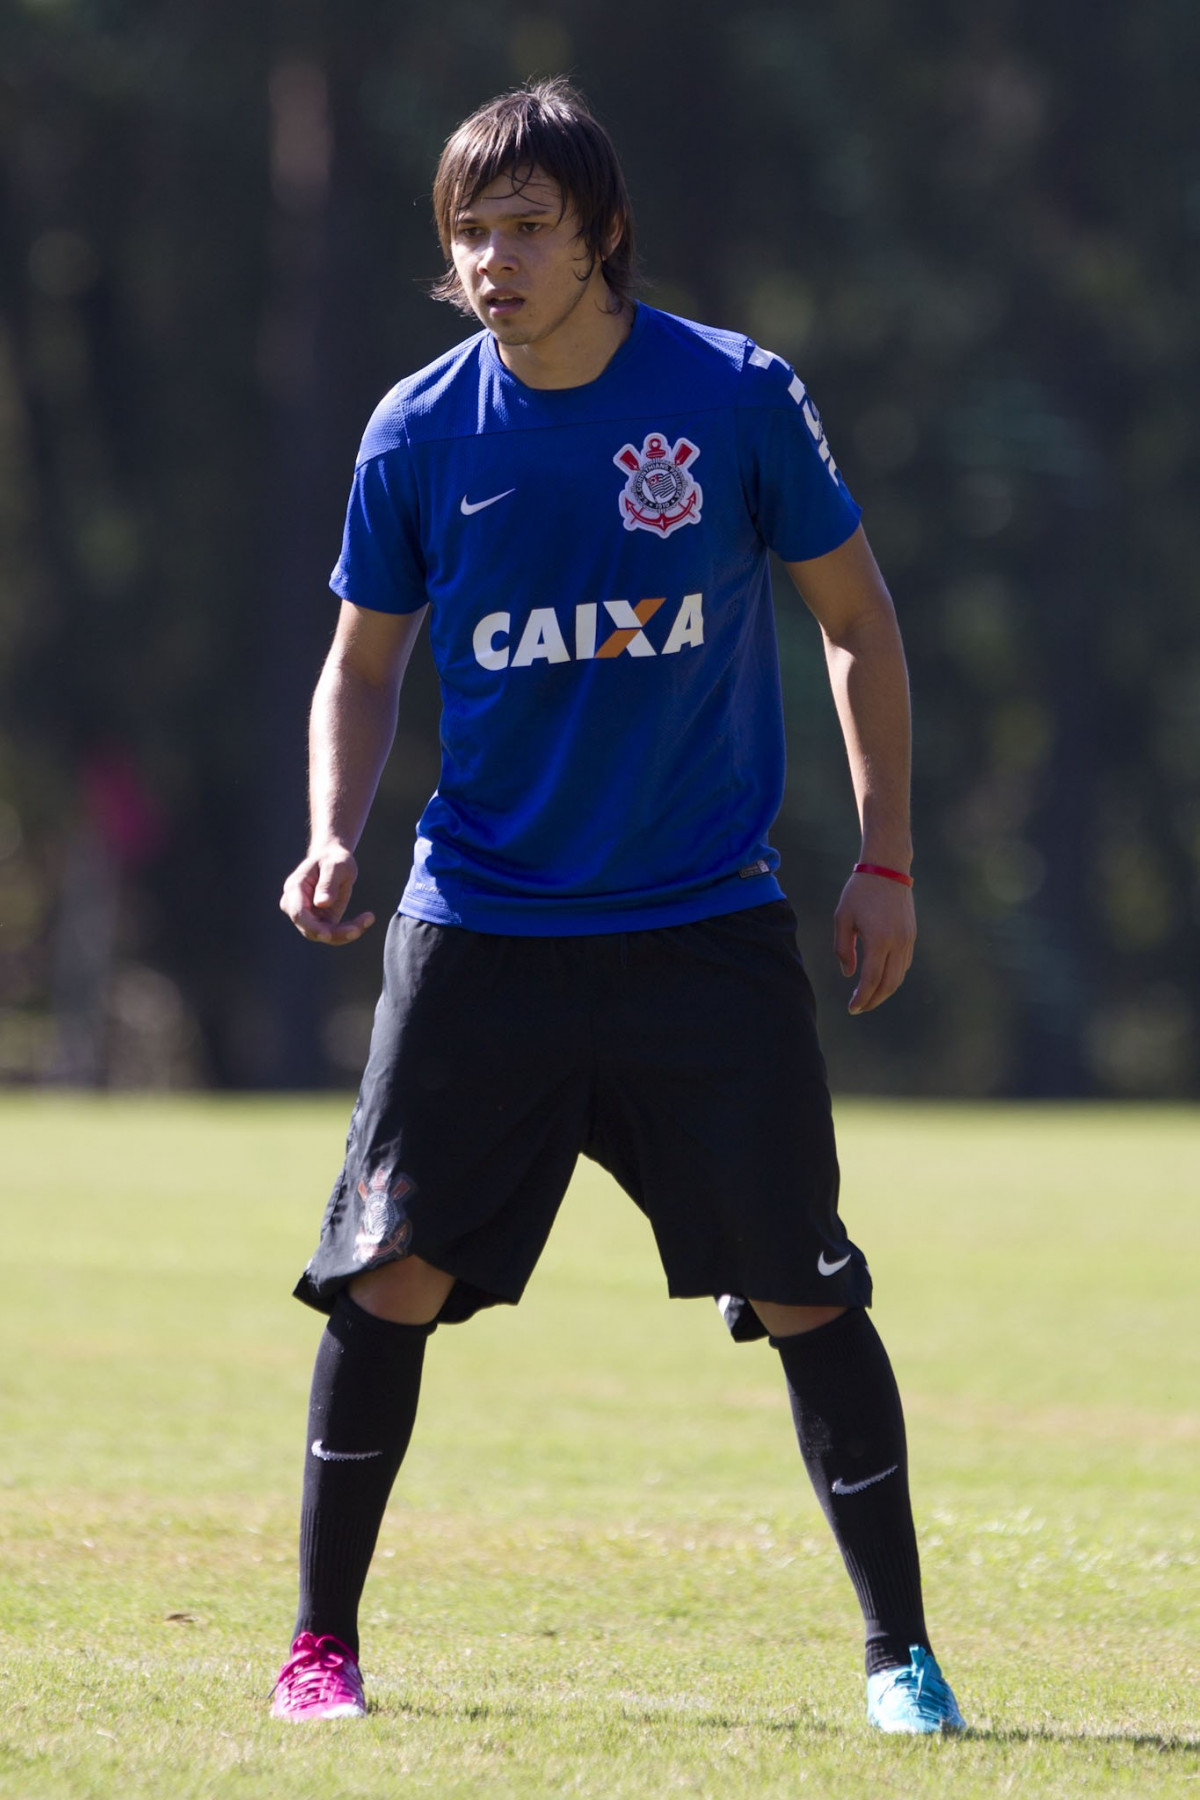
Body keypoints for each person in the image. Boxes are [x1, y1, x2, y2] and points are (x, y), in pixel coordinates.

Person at [272, 77, 965, 1735]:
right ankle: (320, 1653)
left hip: (701, 928)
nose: (492, 260)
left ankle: (901, 1659)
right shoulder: (419, 430)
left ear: (603, 238)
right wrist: (331, 832)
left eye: (525, 228)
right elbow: (361, 665)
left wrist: (885, 861)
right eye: (469, 231)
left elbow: (858, 623)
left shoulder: (733, 399)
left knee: (806, 1286)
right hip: (484, 928)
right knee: (385, 1279)